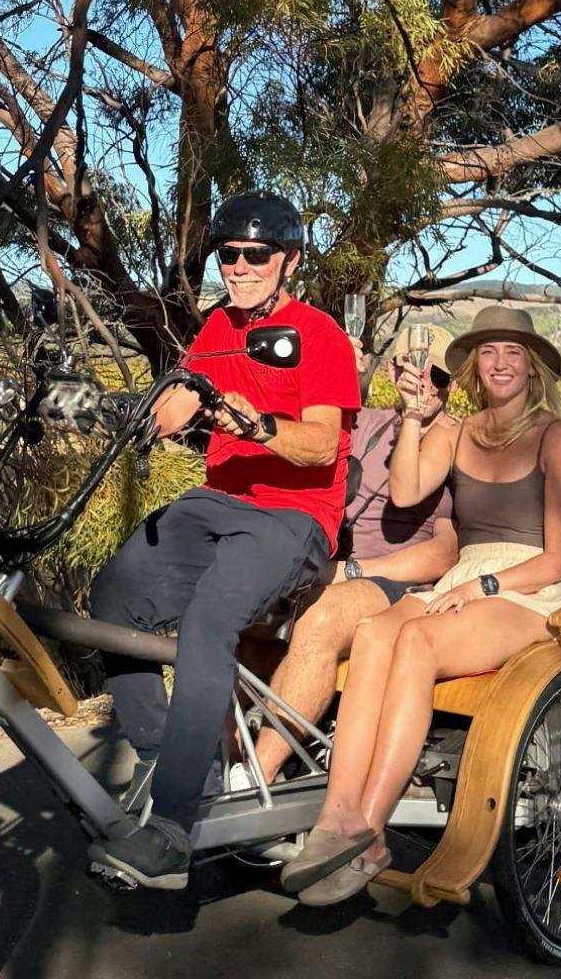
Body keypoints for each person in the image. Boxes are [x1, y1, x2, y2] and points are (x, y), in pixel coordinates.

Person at [88, 191, 361, 890]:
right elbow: (180, 402)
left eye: (254, 255)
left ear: (289, 262)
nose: (238, 267)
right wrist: (121, 411)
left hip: (294, 517)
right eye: (228, 255)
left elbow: (320, 444)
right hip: (217, 502)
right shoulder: (218, 327)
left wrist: (254, 424)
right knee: (115, 596)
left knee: (209, 619)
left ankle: (173, 828)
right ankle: (175, 761)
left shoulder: (318, 335)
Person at [278, 305, 561, 905]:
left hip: (531, 590)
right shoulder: (459, 431)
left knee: (417, 641)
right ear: (475, 366)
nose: (500, 363)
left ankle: (370, 833)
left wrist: (483, 587)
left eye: (514, 352)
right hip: (465, 577)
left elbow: (558, 559)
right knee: (374, 632)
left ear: (532, 367)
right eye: (489, 352)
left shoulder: (556, 437)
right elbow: (405, 492)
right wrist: (415, 419)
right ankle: (335, 820)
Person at [245, 324, 461, 789]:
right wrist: (333, 371)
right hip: (326, 567)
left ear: (453, 384)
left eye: (437, 375)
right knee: (234, 608)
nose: (423, 382)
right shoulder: (365, 424)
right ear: (393, 372)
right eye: (411, 368)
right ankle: (217, 760)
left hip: (399, 584)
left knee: (321, 618)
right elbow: (298, 440)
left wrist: (353, 571)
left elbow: (445, 553)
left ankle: (255, 778)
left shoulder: (453, 442)